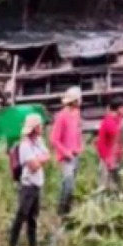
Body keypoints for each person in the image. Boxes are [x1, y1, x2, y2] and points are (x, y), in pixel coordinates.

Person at [9, 114, 49, 246]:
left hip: (37, 184)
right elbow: (34, 166)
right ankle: (12, 245)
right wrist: (40, 159)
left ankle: (33, 244)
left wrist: (38, 159)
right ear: (35, 128)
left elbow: (47, 156)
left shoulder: (38, 141)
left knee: (33, 216)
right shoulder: (25, 145)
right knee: (21, 215)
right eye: (40, 125)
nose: (42, 127)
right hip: (28, 185)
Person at [51, 86, 83, 217]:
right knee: (68, 185)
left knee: (72, 186)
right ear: (74, 101)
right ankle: (61, 213)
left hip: (75, 155)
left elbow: (77, 132)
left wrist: (79, 147)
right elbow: (54, 139)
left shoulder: (76, 113)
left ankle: (67, 213)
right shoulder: (61, 116)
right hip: (66, 157)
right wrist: (65, 152)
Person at [96, 98, 123, 192]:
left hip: (115, 157)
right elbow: (102, 144)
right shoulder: (109, 122)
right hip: (108, 158)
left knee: (117, 185)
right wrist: (108, 159)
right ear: (119, 108)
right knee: (104, 185)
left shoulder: (117, 119)